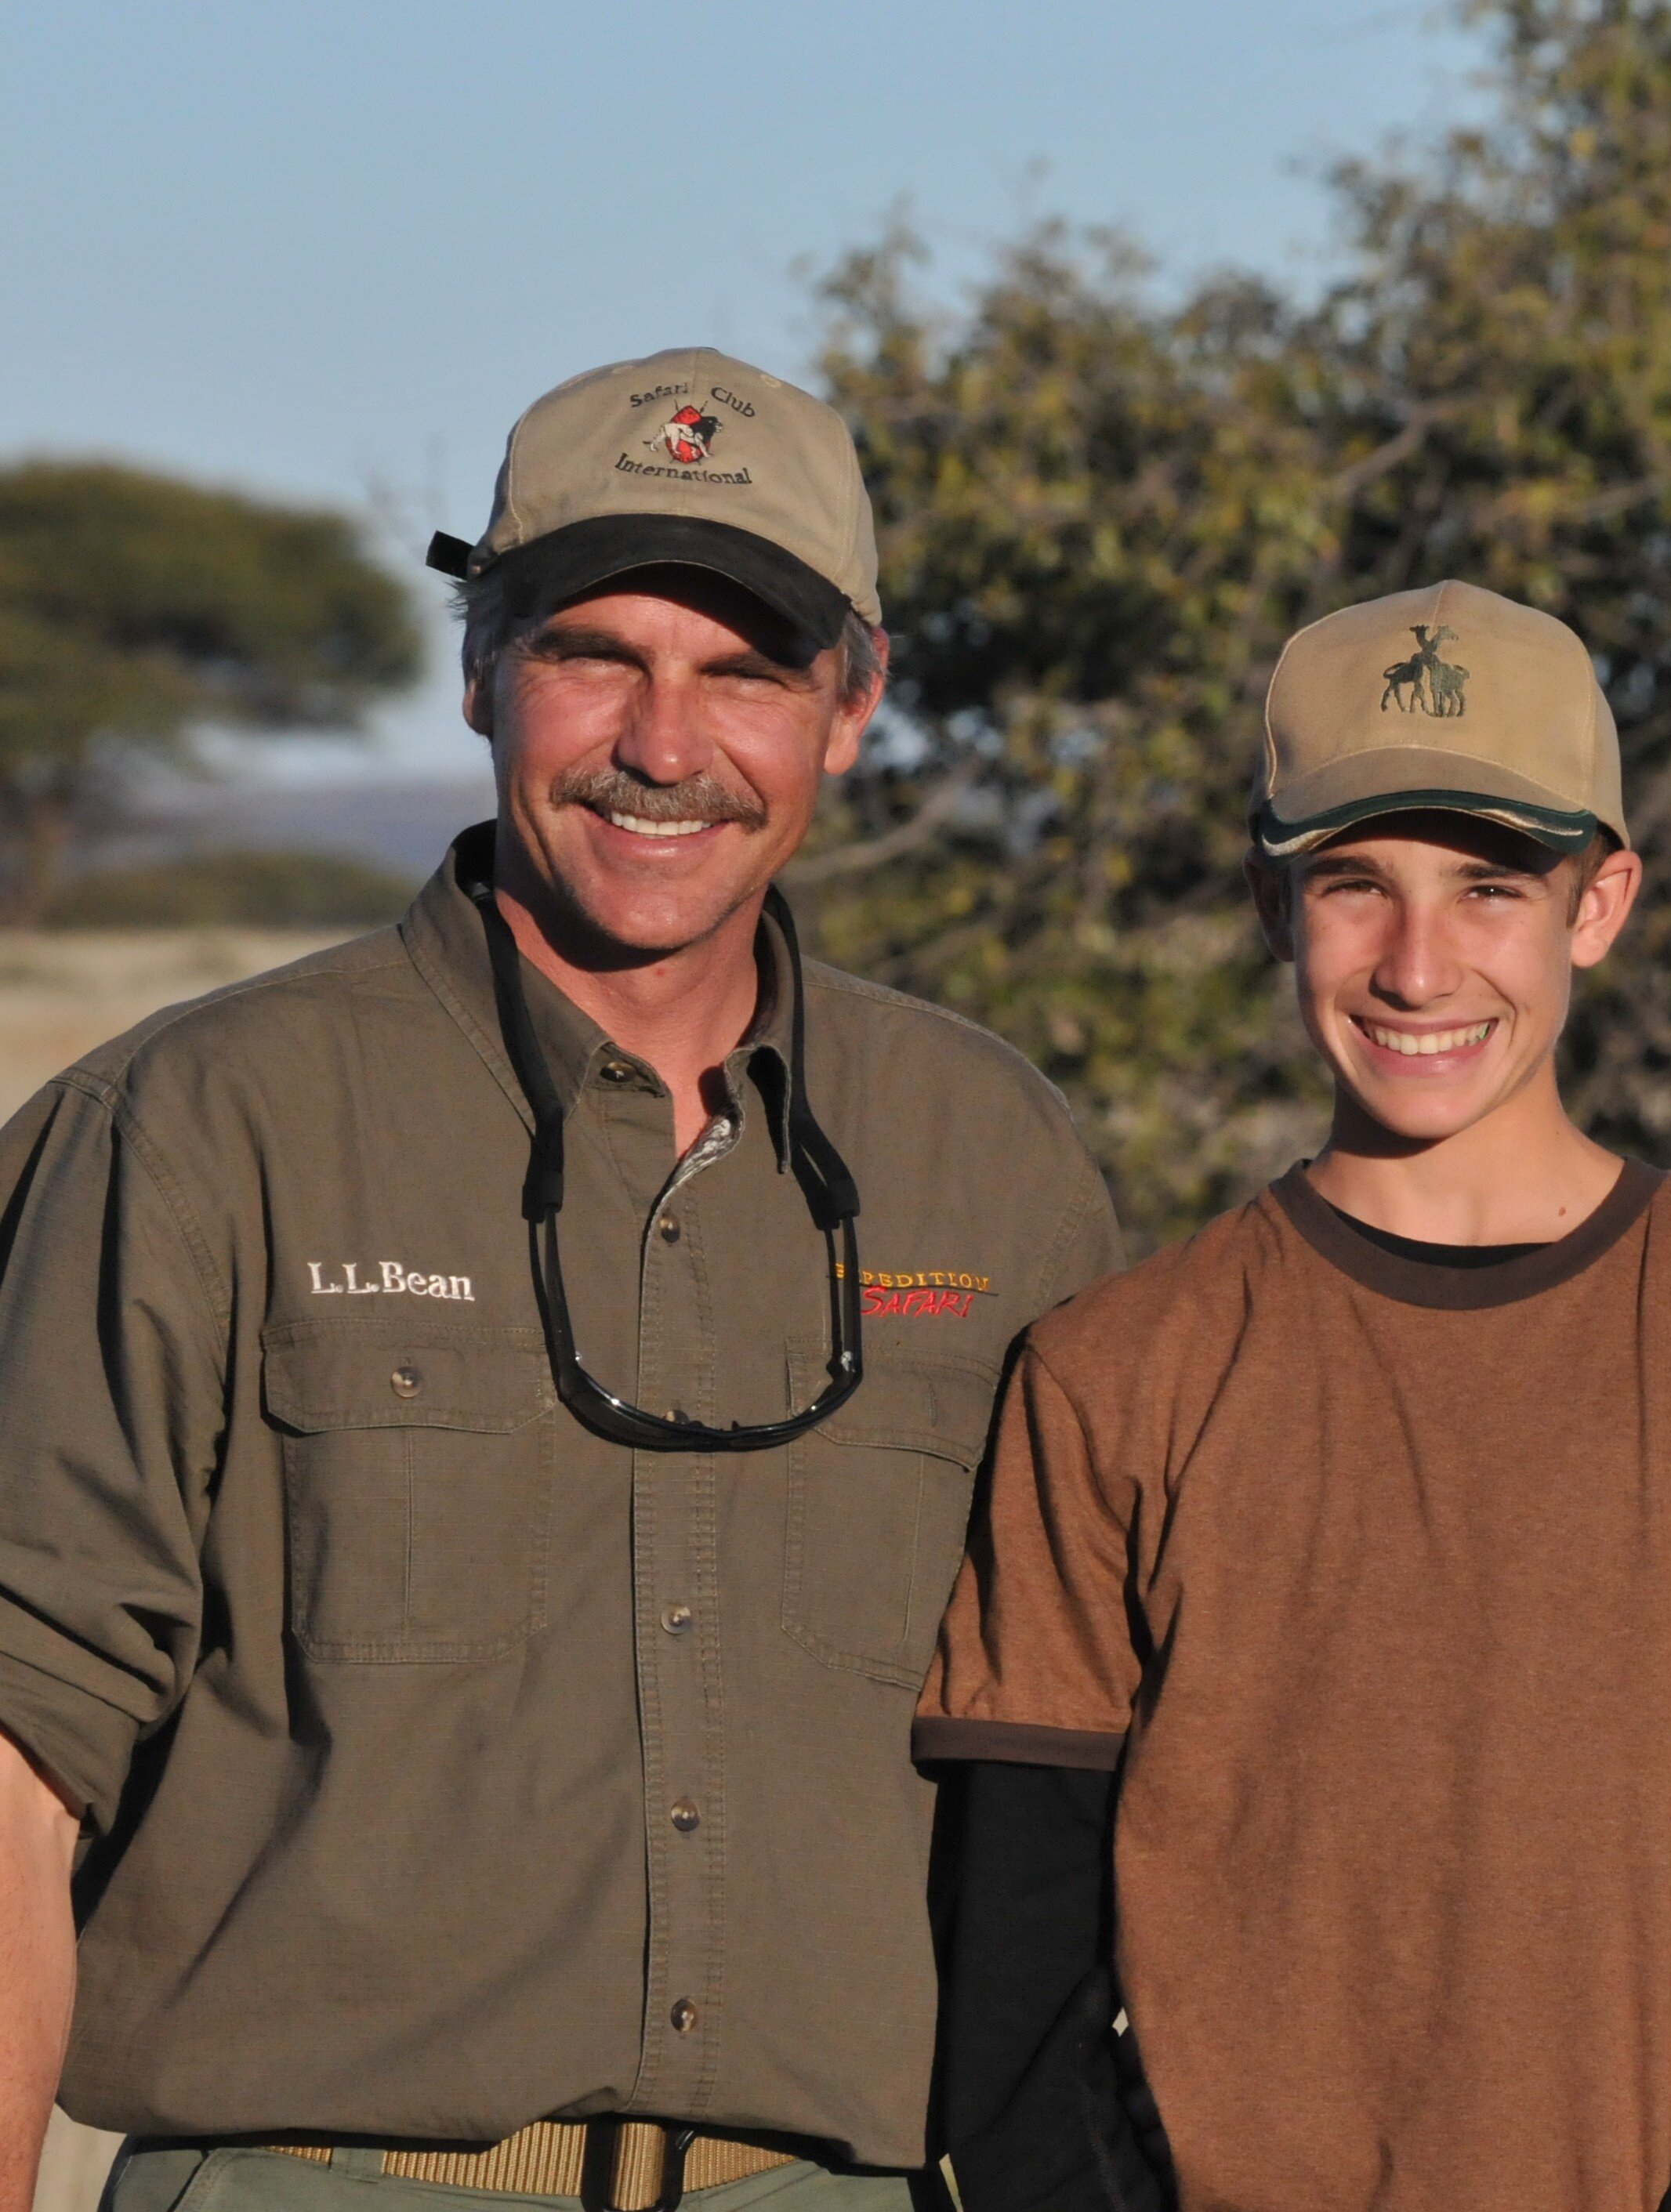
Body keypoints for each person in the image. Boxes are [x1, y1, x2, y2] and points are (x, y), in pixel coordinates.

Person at [0, 348, 1123, 2212]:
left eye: (744, 670)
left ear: (854, 704)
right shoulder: (193, 1124)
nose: (663, 746)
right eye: (594, 652)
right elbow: (13, 1769)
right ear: (477, 671)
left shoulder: (992, 1158)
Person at [912, 579, 1671, 2212]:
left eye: (1490, 885)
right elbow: (1018, 1994)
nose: (1417, 964)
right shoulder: (1118, 1370)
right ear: (1273, 903)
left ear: (1600, 900)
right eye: (1354, 884)